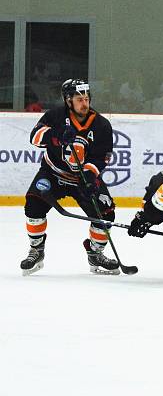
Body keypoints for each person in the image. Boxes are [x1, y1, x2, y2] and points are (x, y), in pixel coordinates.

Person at [21, 79, 120, 276]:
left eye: (86, 99)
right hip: (53, 173)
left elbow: (102, 157)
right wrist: (55, 136)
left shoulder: (101, 125)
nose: (84, 103)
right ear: (68, 100)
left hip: (82, 180)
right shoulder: (55, 116)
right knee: (33, 205)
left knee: (106, 212)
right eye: (79, 99)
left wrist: (90, 177)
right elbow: (34, 137)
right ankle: (37, 250)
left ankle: (95, 253)